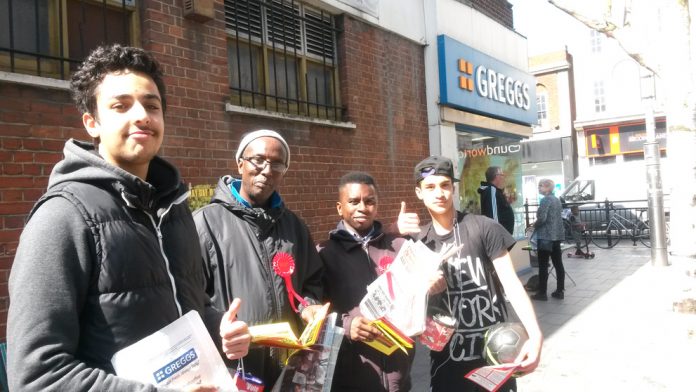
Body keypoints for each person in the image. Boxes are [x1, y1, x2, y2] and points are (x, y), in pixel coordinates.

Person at [7, 44, 251, 391]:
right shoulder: (63, 217)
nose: (142, 115)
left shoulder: (175, 209)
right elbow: (37, 376)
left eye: (152, 105)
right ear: (92, 122)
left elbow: (187, 307)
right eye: (121, 106)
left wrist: (218, 329)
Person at [193, 130, 324, 388]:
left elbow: (312, 280)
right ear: (240, 163)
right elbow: (190, 298)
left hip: (287, 365)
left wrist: (308, 305)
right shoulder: (205, 223)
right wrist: (220, 325)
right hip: (234, 366)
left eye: (277, 164)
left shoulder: (295, 226)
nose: (267, 170)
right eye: (258, 160)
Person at [406, 156, 542, 392]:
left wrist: (535, 334)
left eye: (445, 185)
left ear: (453, 188)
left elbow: (511, 284)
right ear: (419, 192)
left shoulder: (482, 227)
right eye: (430, 187)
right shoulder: (418, 242)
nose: (439, 193)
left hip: (495, 356)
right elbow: (406, 301)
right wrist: (424, 289)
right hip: (448, 362)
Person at [317, 172, 445, 391]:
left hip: (399, 372)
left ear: (376, 206)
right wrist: (347, 325)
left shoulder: (399, 246)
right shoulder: (324, 254)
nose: (362, 208)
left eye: (369, 201)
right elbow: (314, 311)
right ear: (340, 207)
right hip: (352, 373)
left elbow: (420, 301)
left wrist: (433, 290)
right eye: (354, 201)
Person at [530, 179, 566, 301]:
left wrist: (533, 225)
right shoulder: (556, 199)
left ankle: (542, 293)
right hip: (556, 236)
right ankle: (560, 290)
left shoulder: (545, 200)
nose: (539, 188)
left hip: (545, 236)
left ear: (548, 188)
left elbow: (542, 218)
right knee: (558, 264)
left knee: (543, 266)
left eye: (541, 186)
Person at [478, 166, 515, 234]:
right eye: (502, 175)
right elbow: (493, 214)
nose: (503, 177)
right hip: (499, 236)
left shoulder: (494, 191)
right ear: (496, 176)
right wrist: (497, 235)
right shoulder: (491, 190)